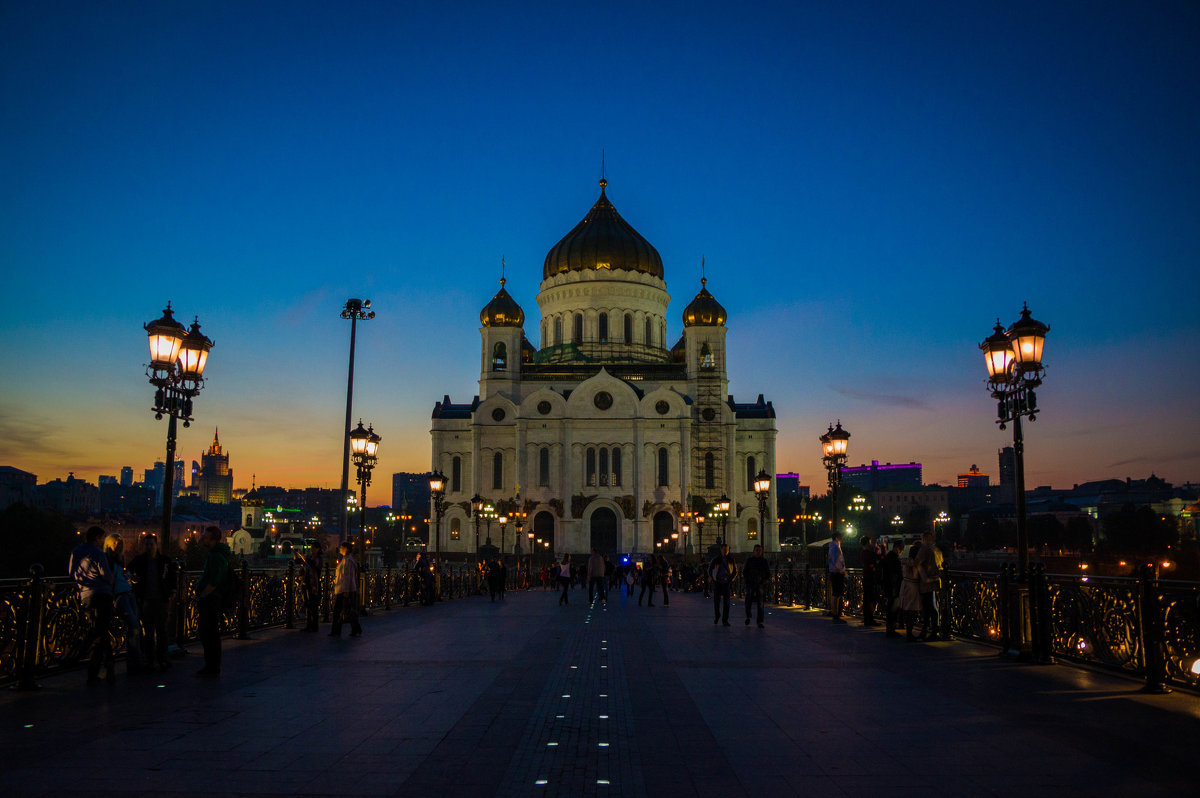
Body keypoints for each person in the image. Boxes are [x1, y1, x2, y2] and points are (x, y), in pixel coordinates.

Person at [69, 526, 115, 684]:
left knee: (99, 631)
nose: (103, 541)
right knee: (100, 632)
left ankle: (108, 668)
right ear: (96, 538)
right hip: (102, 595)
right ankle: (87, 660)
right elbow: (107, 576)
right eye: (102, 538)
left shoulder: (76, 551)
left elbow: (71, 572)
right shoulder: (98, 553)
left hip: (85, 595)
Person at [128, 533, 177, 671]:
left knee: (161, 631)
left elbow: (172, 577)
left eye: (151, 544)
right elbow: (128, 571)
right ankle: (150, 659)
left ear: (156, 544)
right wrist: (133, 579)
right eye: (147, 544)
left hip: (161, 599)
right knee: (148, 632)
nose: (149, 547)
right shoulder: (140, 560)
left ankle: (162, 658)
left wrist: (172, 591)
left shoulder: (164, 561)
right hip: (146, 600)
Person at [103, 534, 143, 675]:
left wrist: (129, 578)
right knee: (134, 627)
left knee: (135, 628)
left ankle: (134, 662)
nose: (118, 546)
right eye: (115, 543)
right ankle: (135, 664)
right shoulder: (107, 559)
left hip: (128, 593)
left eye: (120, 543)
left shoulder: (119, 559)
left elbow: (119, 577)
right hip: (120, 596)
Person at [195, 526, 231, 676]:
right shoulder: (217, 554)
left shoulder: (216, 557)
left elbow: (214, 580)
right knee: (211, 634)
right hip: (213, 599)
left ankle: (212, 666)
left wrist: (203, 594)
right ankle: (211, 665)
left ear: (214, 539)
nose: (203, 538)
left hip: (210, 599)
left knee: (209, 634)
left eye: (206, 537)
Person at [330, 541, 362, 637]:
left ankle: (337, 630)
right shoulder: (347, 560)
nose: (340, 549)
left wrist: (346, 591)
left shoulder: (347, 561)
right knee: (348, 610)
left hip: (344, 589)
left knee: (339, 610)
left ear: (346, 549)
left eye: (341, 547)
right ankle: (355, 628)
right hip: (346, 589)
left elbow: (347, 576)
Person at [917, 531, 943, 640]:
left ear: (924, 538)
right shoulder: (936, 550)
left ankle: (931, 631)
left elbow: (917, 562)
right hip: (936, 580)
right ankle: (934, 629)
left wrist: (906, 562)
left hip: (927, 581)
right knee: (933, 606)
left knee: (929, 607)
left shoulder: (924, 549)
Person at [293, 542, 323, 632]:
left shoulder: (318, 559)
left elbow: (310, 564)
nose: (311, 549)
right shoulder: (309, 557)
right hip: (305, 583)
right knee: (307, 604)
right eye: (311, 548)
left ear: (317, 549)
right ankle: (309, 625)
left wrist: (301, 555)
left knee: (313, 605)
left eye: (313, 548)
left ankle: (314, 626)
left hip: (313, 584)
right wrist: (295, 554)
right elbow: (299, 561)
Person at [900, 542, 924, 641]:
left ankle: (908, 632)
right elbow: (923, 577)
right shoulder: (918, 563)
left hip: (904, 585)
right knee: (912, 610)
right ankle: (910, 633)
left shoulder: (905, 562)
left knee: (907, 609)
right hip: (913, 586)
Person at [881, 539, 905, 638]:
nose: (902, 551)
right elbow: (896, 574)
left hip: (889, 586)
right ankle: (891, 629)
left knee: (891, 609)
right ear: (897, 548)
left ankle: (890, 629)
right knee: (893, 609)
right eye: (901, 548)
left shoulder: (888, 557)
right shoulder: (894, 558)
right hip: (893, 587)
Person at [742, 544, 770, 628]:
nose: (758, 552)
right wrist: (747, 580)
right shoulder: (749, 560)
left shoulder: (764, 561)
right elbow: (745, 572)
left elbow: (767, 573)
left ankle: (760, 621)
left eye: (759, 550)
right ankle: (748, 616)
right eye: (757, 550)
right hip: (750, 583)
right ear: (753, 551)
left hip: (760, 583)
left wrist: (763, 580)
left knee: (760, 603)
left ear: (761, 552)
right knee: (748, 601)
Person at [710, 543, 736, 626]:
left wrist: (730, 579)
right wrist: (714, 579)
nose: (725, 551)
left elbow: (735, 571)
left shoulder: (731, 560)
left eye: (727, 550)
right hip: (718, 583)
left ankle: (725, 620)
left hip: (726, 583)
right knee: (716, 602)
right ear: (721, 550)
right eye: (724, 549)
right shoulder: (715, 560)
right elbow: (710, 570)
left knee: (727, 603)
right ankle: (717, 616)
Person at [860, 536, 880, 627]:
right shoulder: (867, 553)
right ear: (867, 543)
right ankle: (869, 618)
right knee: (870, 599)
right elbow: (875, 560)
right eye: (870, 542)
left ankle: (867, 618)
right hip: (870, 578)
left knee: (867, 599)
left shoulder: (864, 553)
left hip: (867, 577)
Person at [828, 532, 847, 624]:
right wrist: (842, 570)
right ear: (836, 538)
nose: (841, 538)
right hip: (837, 573)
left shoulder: (832, 547)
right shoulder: (835, 548)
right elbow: (837, 561)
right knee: (837, 594)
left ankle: (834, 613)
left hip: (834, 572)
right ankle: (836, 614)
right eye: (840, 536)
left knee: (835, 594)